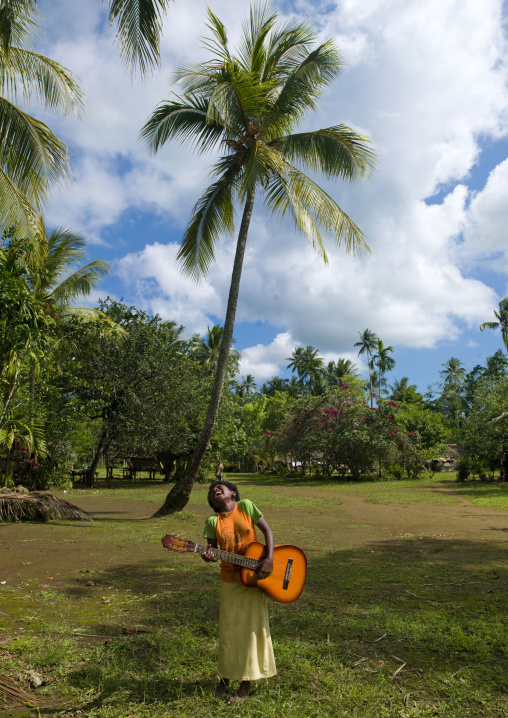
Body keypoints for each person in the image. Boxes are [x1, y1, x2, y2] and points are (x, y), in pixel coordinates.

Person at [202, 480, 276, 704]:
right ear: (213, 502)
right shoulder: (212, 521)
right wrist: (208, 555)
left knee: (252, 631)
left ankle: (246, 683)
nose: (216, 489)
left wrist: (270, 559)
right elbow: (212, 551)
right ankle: (224, 679)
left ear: (233, 493)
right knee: (229, 631)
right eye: (212, 491)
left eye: (220, 487)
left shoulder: (246, 507)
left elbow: (267, 531)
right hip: (230, 581)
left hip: (253, 579)